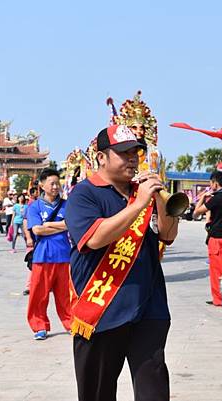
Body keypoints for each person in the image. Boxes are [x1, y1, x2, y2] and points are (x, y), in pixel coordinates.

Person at [66, 125, 179, 401]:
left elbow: (168, 234)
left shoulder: (140, 192)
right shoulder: (84, 194)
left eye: (136, 152)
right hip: (102, 310)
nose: (132, 158)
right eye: (123, 152)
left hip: (148, 306)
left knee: (154, 390)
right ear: (101, 157)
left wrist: (162, 203)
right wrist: (138, 204)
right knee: (98, 392)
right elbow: (94, 239)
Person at [26, 169, 72, 340]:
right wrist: (61, 225)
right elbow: (37, 229)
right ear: (42, 185)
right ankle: (39, 326)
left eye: (57, 183)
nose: (55, 187)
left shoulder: (67, 205)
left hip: (65, 256)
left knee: (66, 295)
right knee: (39, 295)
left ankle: (71, 323)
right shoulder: (34, 207)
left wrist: (49, 225)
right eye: (52, 183)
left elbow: (71, 224)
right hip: (42, 257)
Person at [193, 170, 222, 306]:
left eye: (211, 183)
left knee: (217, 271)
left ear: (215, 183)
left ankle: (219, 299)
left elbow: (196, 213)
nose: (210, 185)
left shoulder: (216, 199)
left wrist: (203, 197)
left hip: (217, 240)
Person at [22, 184, 41, 296]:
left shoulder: (43, 203)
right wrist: (29, 237)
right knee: (32, 263)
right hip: (33, 241)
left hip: (43, 240)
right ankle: (29, 286)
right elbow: (25, 221)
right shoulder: (31, 205)